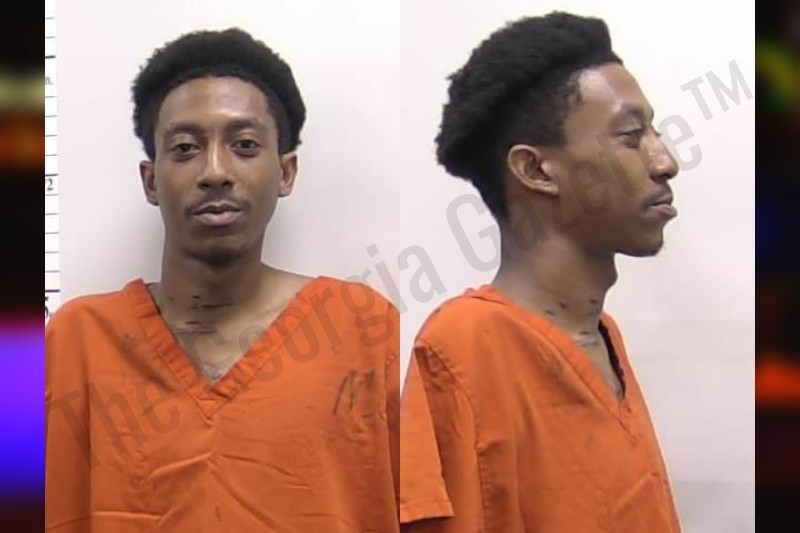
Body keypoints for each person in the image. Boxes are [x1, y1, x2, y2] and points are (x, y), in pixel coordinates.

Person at [45, 28, 399, 532]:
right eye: (186, 148)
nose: (215, 172)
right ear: (151, 180)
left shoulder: (364, 328)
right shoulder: (72, 339)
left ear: (286, 173)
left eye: (245, 145)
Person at [400, 12, 682, 532]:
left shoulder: (601, 334)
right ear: (535, 170)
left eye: (655, 132)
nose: (665, 161)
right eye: (631, 136)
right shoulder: (466, 347)